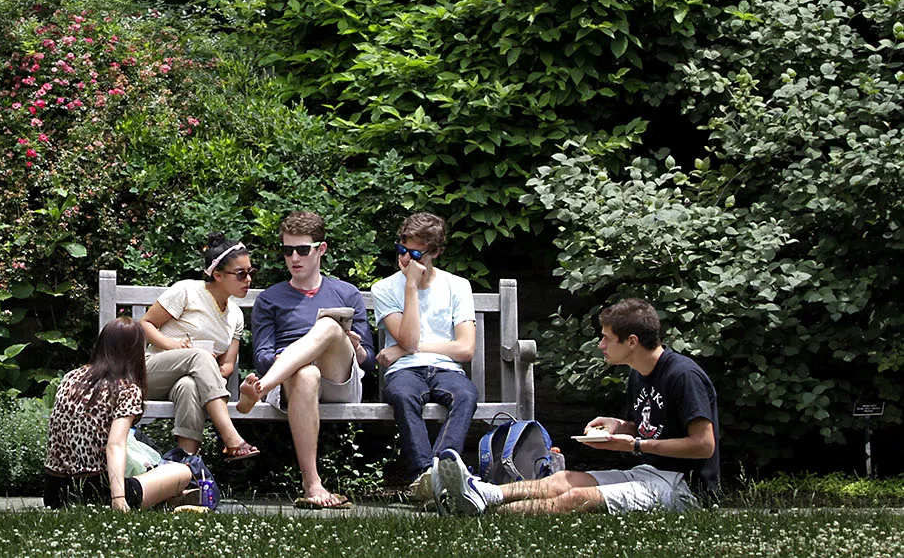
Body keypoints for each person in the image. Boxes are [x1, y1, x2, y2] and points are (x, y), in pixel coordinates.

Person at [435, 297, 719, 515]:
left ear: (632, 341)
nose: (600, 344)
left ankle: (479, 511)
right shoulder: (638, 374)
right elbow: (646, 428)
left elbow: (703, 445)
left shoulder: (683, 375)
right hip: (648, 471)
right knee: (562, 480)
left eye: (606, 337)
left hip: (687, 487)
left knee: (573, 499)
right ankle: (484, 495)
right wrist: (617, 427)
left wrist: (634, 446)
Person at [235, 210, 375, 508]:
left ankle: (258, 389)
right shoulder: (270, 299)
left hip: (339, 376)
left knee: (328, 326)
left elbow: (368, 361)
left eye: (302, 250)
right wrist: (291, 358)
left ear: (321, 249)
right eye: (287, 251)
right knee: (305, 372)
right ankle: (312, 483)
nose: (294, 258)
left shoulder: (346, 293)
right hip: (292, 381)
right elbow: (261, 356)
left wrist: (356, 348)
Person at [370, 212, 478, 498]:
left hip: (447, 369)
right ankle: (425, 478)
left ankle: (437, 473)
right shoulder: (384, 288)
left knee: (465, 395)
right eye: (402, 250)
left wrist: (403, 348)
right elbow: (409, 337)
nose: (406, 259)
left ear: (436, 252)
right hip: (404, 371)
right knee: (404, 396)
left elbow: (465, 349)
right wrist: (410, 287)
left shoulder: (458, 286)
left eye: (416, 253)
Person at [43, 316, 195, 510]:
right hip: (97, 492)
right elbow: (115, 445)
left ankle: (167, 498)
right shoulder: (126, 389)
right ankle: (169, 498)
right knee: (181, 472)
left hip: (55, 493)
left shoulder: (70, 377)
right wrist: (118, 499)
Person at [139, 232, 261, 461]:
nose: (248, 280)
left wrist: (209, 366)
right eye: (241, 274)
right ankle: (231, 439)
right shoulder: (187, 291)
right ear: (217, 274)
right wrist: (174, 346)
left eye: (251, 272)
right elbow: (145, 324)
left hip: (189, 378)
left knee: (189, 387)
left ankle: (185, 470)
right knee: (198, 357)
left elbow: (227, 366)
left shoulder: (235, 315)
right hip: (151, 372)